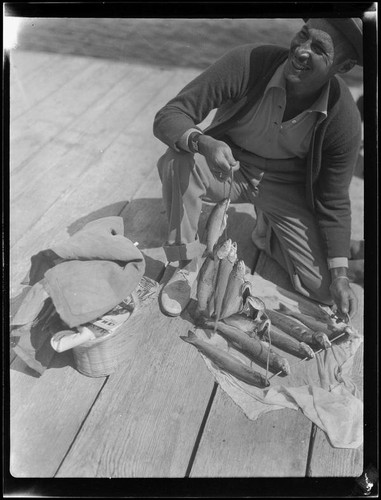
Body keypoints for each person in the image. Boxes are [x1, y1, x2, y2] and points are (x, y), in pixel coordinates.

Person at [153, 18, 363, 319]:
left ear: (341, 67)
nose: (301, 51)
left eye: (318, 49)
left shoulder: (344, 117)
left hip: (285, 185)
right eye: (303, 36)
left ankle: (268, 232)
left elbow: (334, 199)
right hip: (228, 167)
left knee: (323, 289)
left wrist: (340, 275)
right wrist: (203, 142)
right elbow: (170, 115)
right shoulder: (248, 62)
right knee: (178, 159)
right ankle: (184, 262)